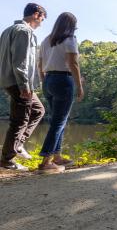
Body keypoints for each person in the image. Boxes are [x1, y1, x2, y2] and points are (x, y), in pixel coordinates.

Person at [0, 3, 47, 171]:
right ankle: (7, 160)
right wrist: (24, 85)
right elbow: (20, 62)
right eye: (42, 18)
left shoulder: (7, 31)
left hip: (8, 80)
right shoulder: (24, 31)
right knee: (20, 121)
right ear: (36, 15)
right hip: (18, 82)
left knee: (38, 110)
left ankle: (17, 145)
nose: (41, 23)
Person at [37, 12, 84, 173]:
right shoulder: (69, 39)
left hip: (49, 80)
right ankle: (45, 162)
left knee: (58, 121)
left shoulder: (46, 40)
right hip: (63, 81)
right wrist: (79, 86)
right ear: (71, 25)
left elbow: (39, 65)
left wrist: (46, 82)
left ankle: (57, 157)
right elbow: (73, 63)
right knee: (58, 122)